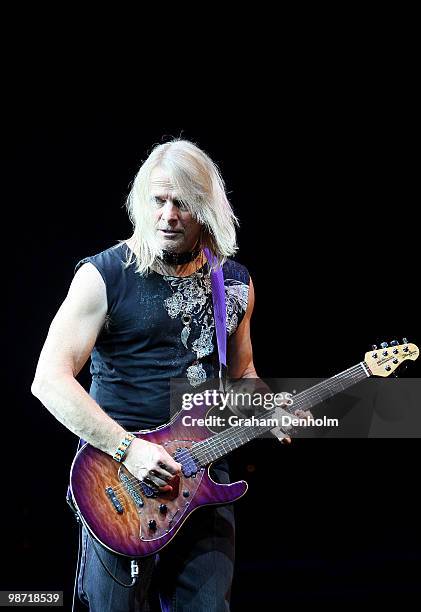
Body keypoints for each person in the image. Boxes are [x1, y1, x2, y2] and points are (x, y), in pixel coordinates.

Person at [31, 139, 258, 611]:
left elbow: (242, 374)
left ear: (207, 208)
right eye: (159, 200)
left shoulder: (234, 283)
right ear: (141, 203)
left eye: (184, 202)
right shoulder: (105, 274)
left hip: (205, 480)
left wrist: (270, 409)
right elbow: (49, 378)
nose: (170, 215)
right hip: (119, 485)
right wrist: (128, 449)